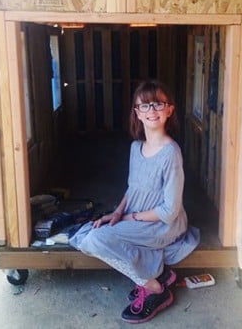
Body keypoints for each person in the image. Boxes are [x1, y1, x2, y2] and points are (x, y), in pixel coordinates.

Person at [69, 80, 199, 324]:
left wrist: (129, 218)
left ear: (169, 110)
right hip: (135, 216)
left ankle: (153, 286)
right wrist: (117, 213)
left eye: (158, 104)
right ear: (137, 113)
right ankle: (160, 273)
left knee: (97, 239)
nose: (152, 110)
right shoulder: (135, 147)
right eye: (145, 105)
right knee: (86, 235)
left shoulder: (171, 152)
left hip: (163, 224)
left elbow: (169, 210)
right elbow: (133, 188)